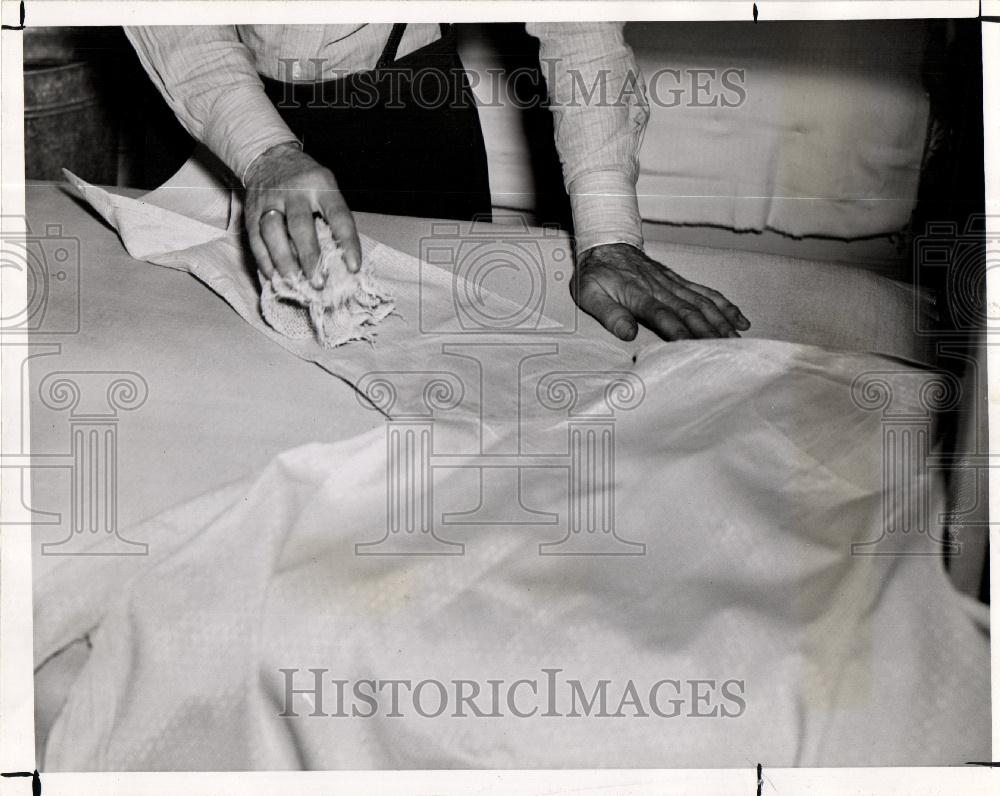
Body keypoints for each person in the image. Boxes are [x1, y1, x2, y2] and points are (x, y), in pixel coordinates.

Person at [126, 22, 750, 341]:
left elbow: (580, 28)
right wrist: (262, 151)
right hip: (212, 116)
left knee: (453, 393)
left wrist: (608, 235)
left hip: (410, 102)